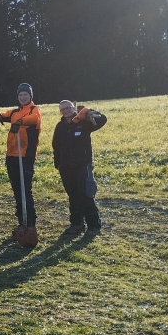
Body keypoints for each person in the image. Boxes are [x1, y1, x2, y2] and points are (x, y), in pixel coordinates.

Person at [53, 100, 108, 237]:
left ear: (73, 107)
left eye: (68, 108)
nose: (66, 111)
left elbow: (102, 120)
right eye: (62, 109)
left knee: (86, 195)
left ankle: (94, 226)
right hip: (66, 167)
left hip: (82, 165)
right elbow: (56, 146)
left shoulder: (84, 122)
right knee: (73, 196)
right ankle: (77, 224)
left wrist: (89, 112)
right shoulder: (60, 126)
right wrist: (58, 164)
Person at [0, 83, 43, 232]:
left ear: (30, 96)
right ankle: (21, 220)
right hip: (12, 155)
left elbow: (33, 119)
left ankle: (30, 222)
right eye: (20, 95)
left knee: (25, 189)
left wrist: (20, 122)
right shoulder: (15, 112)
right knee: (17, 189)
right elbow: (4, 115)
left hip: (26, 156)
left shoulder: (34, 110)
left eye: (25, 94)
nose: (22, 97)